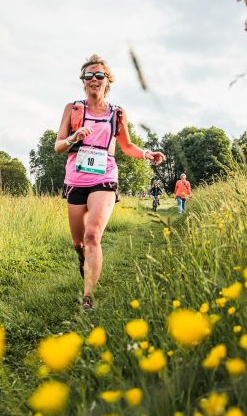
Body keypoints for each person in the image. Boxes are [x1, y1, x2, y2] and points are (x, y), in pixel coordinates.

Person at [55, 54, 166, 311]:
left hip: (104, 177)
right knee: (78, 242)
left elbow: (126, 146)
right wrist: (74, 137)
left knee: (93, 235)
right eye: (88, 75)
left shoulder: (117, 113)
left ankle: (88, 298)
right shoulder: (73, 109)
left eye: (99, 75)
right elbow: (58, 146)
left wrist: (147, 153)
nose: (94, 79)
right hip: (76, 179)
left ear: (107, 81)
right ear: (83, 82)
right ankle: (83, 260)